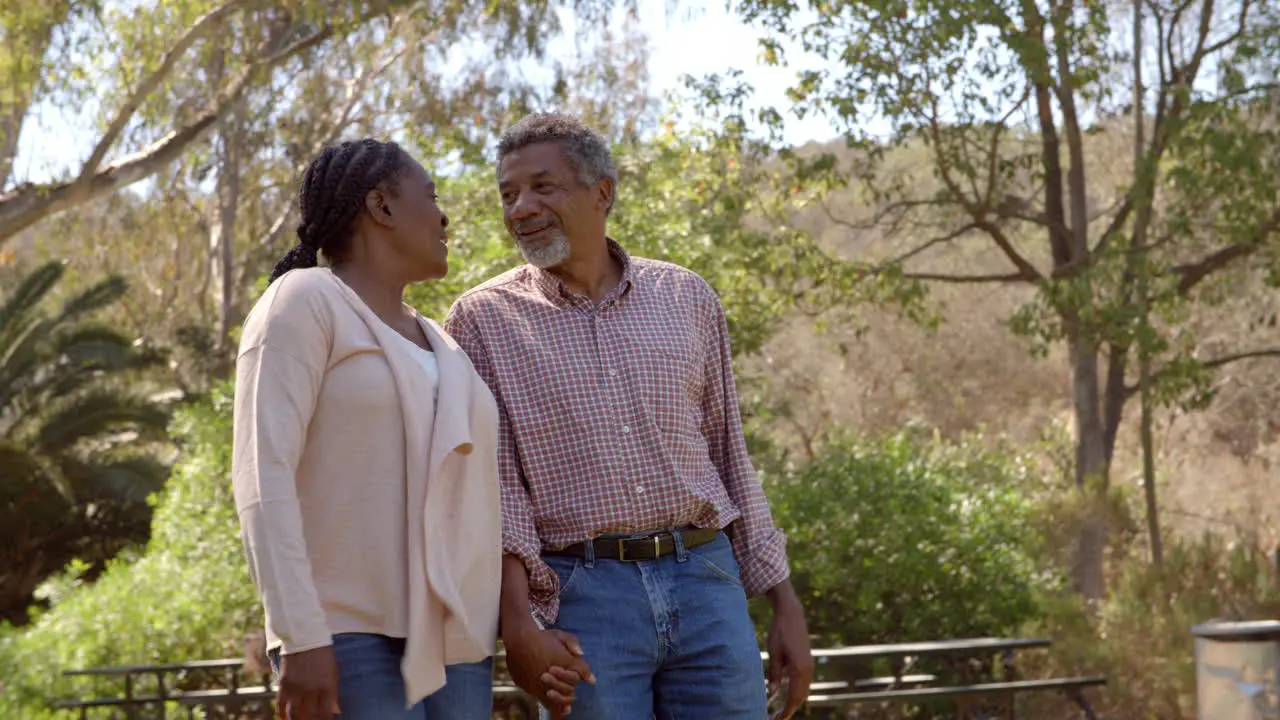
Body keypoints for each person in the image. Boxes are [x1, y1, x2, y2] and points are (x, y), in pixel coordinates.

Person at [444, 113, 815, 720]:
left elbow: (729, 454)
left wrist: (784, 603)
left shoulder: (687, 297)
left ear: (603, 192)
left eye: (542, 187)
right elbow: (497, 490)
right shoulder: (483, 320)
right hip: (581, 599)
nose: (520, 209)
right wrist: (519, 624)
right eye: (508, 195)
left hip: (707, 582)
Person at [231, 138, 502, 720]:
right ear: (381, 207)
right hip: (346, 635)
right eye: (430, 197)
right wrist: (300, 636)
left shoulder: (443, 340)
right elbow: (262, 472)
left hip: (455, 641)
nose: (443, 214)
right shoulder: (304, 302)